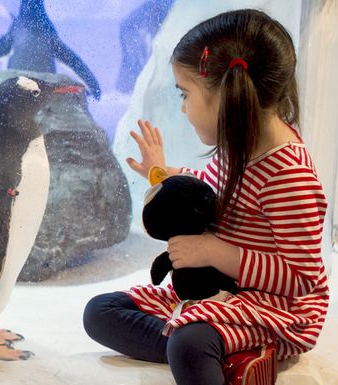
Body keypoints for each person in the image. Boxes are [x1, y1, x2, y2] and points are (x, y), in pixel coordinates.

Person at [83, 9, 328, 385]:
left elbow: (301, 277)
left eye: (186, 94)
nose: (182, 108)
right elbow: (210, 191)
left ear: (228, 96)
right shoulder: (237, 145)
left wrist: (215, 252)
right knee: (100, 312)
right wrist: (161, 174)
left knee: (189, 343)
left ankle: (211, 349)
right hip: (218, 291)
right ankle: (232, 355)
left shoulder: (288, 174)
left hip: (271, 306)